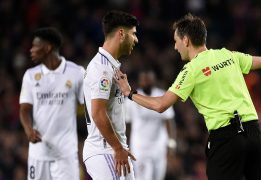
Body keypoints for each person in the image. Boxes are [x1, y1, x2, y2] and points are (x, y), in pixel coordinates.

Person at [114, 14, 261, 180]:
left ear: (186, 40)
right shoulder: (228, 56)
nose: (175, 47)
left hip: (226, 139)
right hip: (254, 133)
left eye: (176, 41)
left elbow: (161, 104)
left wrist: (129, 93)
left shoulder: (191, 70)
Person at [19, 27, 84, 180]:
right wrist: (28, 130)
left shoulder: (76, 72)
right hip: (39, 153)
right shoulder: (30, 75)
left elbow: (90, 107)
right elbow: (24, 109)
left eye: (35, 46)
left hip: (66, 155)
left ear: (48, 48)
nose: (31, 50)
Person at [82, 10, 138, 179]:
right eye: (133, 34)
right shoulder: (102, 68)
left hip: (115, 149)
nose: (136, 39)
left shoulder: (111, 66)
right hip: (105, 150)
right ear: (121, 33)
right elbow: (98, 113)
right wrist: (118, 148)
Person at [125, 69, 176, 180]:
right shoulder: (132, 98)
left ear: (154, 80)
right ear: (139, 81)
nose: (146, 82)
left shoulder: (162, 95)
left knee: (158, 177)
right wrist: (126, 145)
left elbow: (169, 120)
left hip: (159, 146)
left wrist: (171, 143)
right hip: (140, 147)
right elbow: (127, 124)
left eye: (148, 79)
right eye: (144, 80)